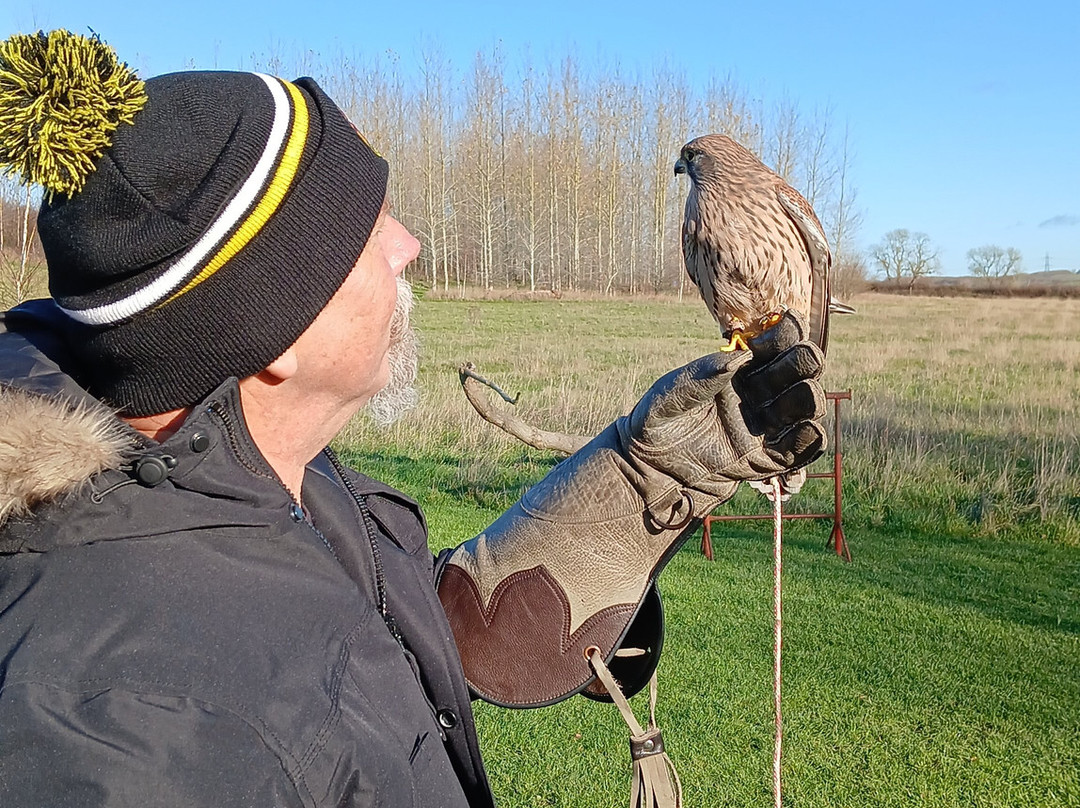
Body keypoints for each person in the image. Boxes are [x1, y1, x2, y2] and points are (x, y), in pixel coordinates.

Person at [0, 31, 827, 807]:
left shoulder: (268, 481)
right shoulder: (141, 735)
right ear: (276, 330)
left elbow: (360, 634)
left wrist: (639, 481)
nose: (408, 246)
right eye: (366, 231)